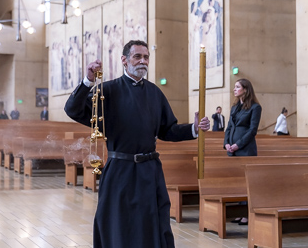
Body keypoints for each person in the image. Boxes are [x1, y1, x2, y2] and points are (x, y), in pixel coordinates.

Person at [65, 40, 210, 248]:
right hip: (120, 172)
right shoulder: (108, 91)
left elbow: (168, 130)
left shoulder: (155, 93)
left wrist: (193, 129)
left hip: (149, 172)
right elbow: (73, 109)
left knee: (152, 223)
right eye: (137, 56)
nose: (143, 61)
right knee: (119, 224)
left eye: (146, 57)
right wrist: (88, 81)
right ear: (124, 60)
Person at [224, 78, 262, 226]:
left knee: (247, 184)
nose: (234, 89)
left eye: (237, 87)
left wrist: (237, 145)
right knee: (237, 184)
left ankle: (247, 214)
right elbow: (228, 127)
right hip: (232, 150)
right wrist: (226, 143)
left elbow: (253, 130)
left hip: (245, 150)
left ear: (245, 90)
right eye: (234, 87)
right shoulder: (234, 108)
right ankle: (240, 213)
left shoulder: (255, 107)